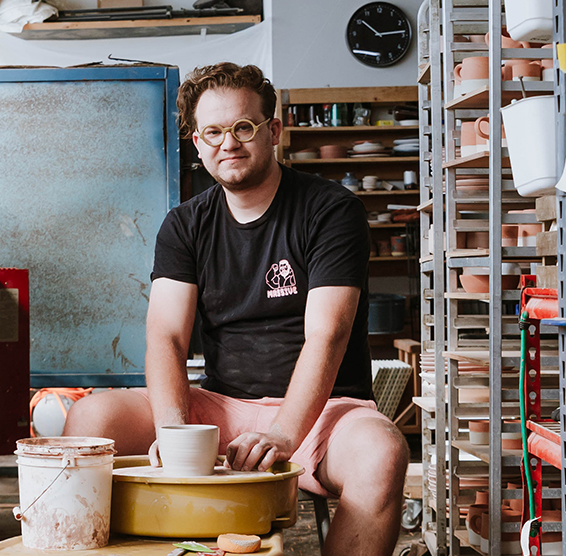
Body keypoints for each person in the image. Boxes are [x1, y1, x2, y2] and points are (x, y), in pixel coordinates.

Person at [62, 63, 409, 556]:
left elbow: (327, 335)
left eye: (244, 127)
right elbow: (166, 337)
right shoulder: (183, 225)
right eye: (214, 132)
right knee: (91, 419)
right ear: (197, 142)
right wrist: (174, 432)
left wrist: (284, 434)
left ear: (273, 131)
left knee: (383, 453)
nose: (230, 143)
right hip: (222, 406)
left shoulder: (331, 210)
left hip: (325, 411)